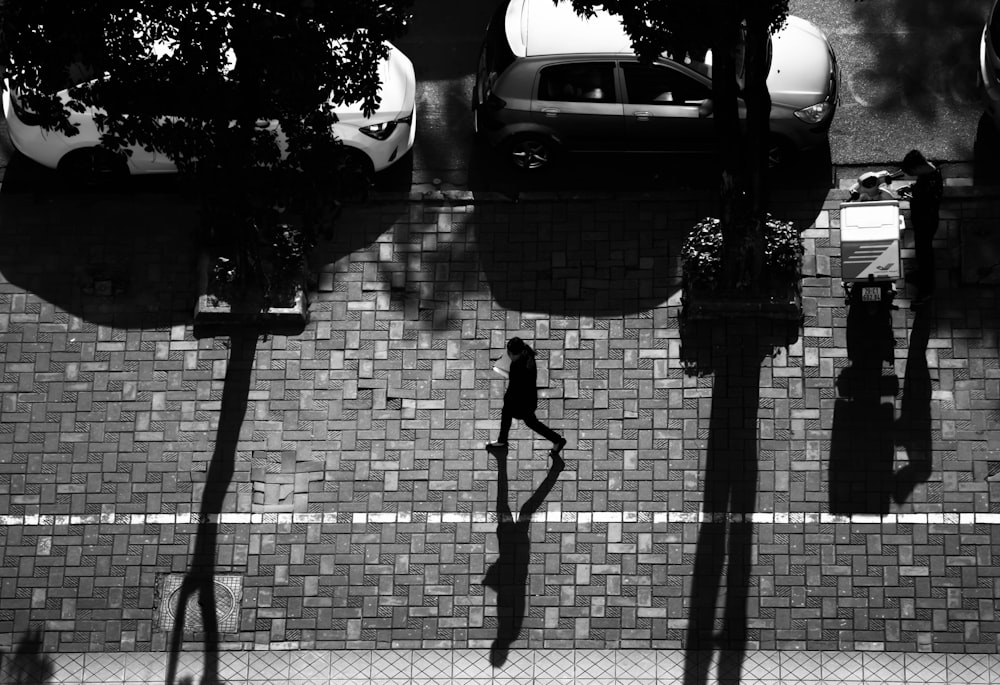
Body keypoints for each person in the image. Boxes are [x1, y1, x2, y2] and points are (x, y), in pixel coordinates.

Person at [488, 337, 567, 464]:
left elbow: (515, 387)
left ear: (516, 353)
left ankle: (557, 440)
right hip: (528, 399)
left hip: (521, 402)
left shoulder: (521, 368)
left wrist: (508, 394)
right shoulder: (527, 356)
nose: (509, 356)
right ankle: (557, 440)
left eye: (510, 354)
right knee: (526, 420)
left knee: (522, 419)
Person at [898, 149, 943, 305]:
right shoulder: (931, 170)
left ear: (918, 168)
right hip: (925, 221)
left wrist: (910, 198)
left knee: (925, 257)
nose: (913, 176)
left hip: (926, 223)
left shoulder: (930, 186)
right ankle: (921, 278)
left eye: (912, 173)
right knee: (921, 252)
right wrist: (912, 188)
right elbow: (921, 189)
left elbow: (923, 202)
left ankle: (926, 291)